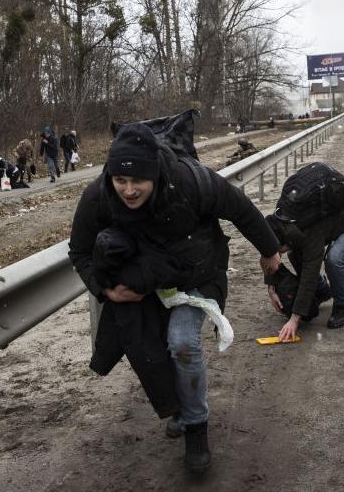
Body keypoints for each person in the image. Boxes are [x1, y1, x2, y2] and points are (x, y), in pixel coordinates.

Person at [68, 123, 281, 473]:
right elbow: (79, 251)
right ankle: (180, 409)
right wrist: (105, 289)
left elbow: (239, 207)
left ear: (155, 173)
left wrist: (270, 250)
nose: (129, 190)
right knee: (150, 352)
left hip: (197, 273)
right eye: (121, 180)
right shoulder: (99, 196)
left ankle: (196, 427)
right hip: (145, 281)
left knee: (182, 342)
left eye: (138, 181)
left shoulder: (190, 181)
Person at [264, 189, 344, 337]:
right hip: (331, 222)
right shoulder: (280, 218)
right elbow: (268, 258)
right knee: (294, 253)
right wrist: (271, 288)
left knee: (333, 259)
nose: (279, 254)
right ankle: (322, 290)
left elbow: (309, 275)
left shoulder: (310, 234)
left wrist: (294, 319)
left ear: (285, 241)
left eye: (279, 251)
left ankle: (342, 306)